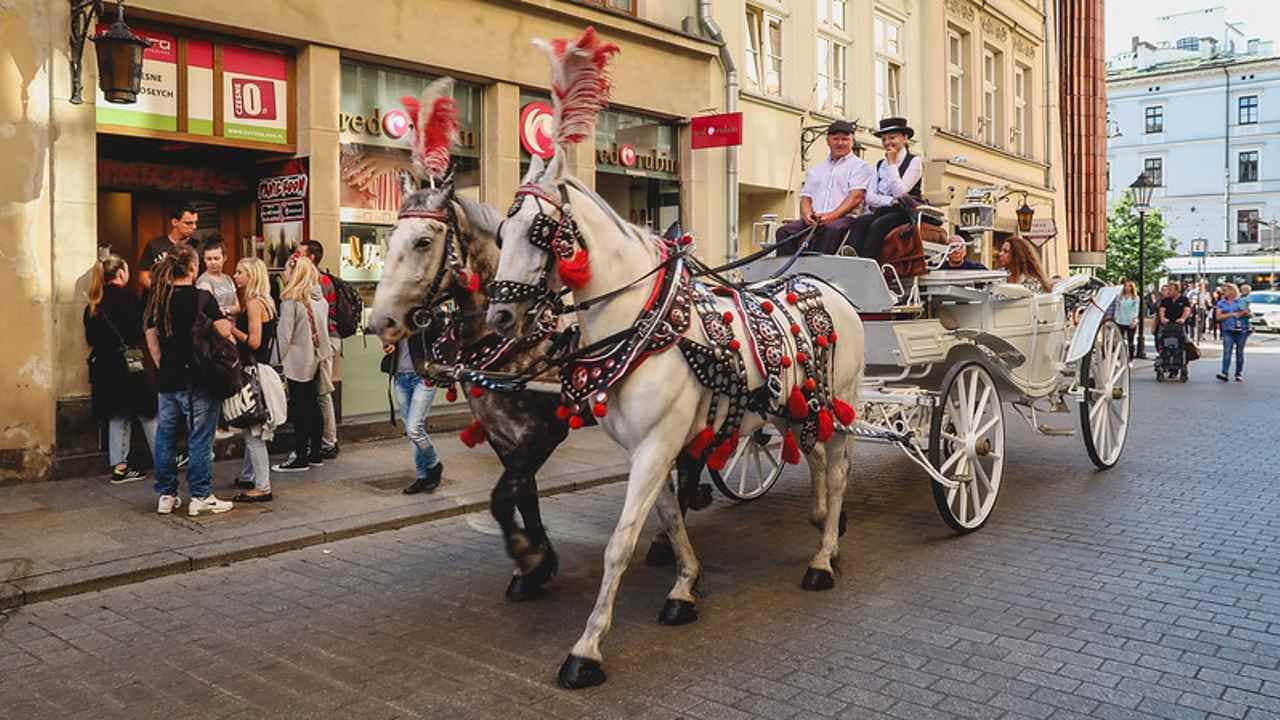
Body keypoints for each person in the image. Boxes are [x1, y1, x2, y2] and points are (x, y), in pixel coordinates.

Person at [143, 245, 235, 516]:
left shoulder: (158, 298)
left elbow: (151, 336)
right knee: (200, 438)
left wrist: (163, 365)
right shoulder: (203, 297)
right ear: (193, 268)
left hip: (168, 378)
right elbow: (224, 330)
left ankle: (166, 495)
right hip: (199, 379)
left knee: (165, 438)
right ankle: (201, 495)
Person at [84, 253, 157, 483]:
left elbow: (90, 338)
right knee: (148, 411)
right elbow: (138, 329)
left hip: (105, 365)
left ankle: (119, 467)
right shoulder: (128, 298)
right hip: (130, 360)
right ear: (121, 273)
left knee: (117, 415)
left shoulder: (94, 303)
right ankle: (164, 460)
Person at [775, 120, 873, 255]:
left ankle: (820, 271)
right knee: (784, 232)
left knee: (832, 229)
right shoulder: (817, 169)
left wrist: (831, 216)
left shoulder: (860, 167)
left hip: (844, 219)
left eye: (845, 139)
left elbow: (856, 197)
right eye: (835, 139)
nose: (840, 143)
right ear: (828, 141)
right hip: (816, 220)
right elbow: (806, 197)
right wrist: (807, 215)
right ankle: (788, 272)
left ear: (852, 141)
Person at [273, 257, 332, 472]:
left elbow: (284, 338)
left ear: (294, 273)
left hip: (296, 363)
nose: (284, 273)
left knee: (299, 410)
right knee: (313, 407)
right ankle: (315, 453)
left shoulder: (291, 302)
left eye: (287, 269)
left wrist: (276, 362)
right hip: (316, 360)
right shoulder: (320, 300)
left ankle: (300, 457)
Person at [229, 258, 279, 502]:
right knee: (254, 426)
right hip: (264, 368)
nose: (235, 275)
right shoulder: (266, 301)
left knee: (253, 432)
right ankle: (250, 475)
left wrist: (231, 329)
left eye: (240, 272)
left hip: (252, 370)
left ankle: (262, 486)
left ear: (252, 276)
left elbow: (254, 341)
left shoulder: (253, 302)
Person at [849, 117, 923, 259]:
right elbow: (870, 197)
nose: (887, 142)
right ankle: (852, 257)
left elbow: (901, 192)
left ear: (905, 138)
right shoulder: (879, 165)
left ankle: (869, 262)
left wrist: (892, 164)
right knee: (859, 222)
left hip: (904, 212)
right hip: (884, 209)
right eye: (884, 139)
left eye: (892, 137)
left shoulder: (914, 162)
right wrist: (890, 201)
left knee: (879, 225)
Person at [383, 335, 444, 494]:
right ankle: (422, 476)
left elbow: (440, 337)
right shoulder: (396, 317)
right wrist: (387, 344)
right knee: (413, 432)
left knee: (414, 429)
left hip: (423, 377)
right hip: (400, 378)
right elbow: (384, 333)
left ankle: (434, 464)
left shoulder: (424, 315)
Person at [298, 240, 340, 459]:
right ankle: (323, 440)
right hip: (322, 341)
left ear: (311, 258)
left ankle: (329, 441)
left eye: (300, 254)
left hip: (324, 341)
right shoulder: (317, 279)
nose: (295, 258)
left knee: (323, 392)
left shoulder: (318, 281)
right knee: (319, 392)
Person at [138, 205, 198, 293]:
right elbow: (143, 277)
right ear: (175, 222)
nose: (194, 227)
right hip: (158, 299)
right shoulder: (155, 245)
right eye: (188, 223)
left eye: (195, 222)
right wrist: (162, 293)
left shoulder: (197, 246)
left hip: (185, 298)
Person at [195, 238, 240, 320]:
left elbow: (238, 307)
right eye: (209, 259)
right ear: (204, 260)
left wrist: (225, 310)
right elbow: (209, 311)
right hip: (216, 328)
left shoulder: (228, 278)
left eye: (216, 258)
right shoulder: (203, 282)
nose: (213, 262)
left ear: (224, 258)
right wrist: (230, 310)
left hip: (233, 326)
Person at [1216, 283, 1248, 382]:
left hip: (1241, 329)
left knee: (1239, 352)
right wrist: (1232, 314)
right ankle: (1224, 373)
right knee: (1227, 352)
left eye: (1225, 290)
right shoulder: (1221, 303)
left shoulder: (1240, 301)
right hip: (1227, 330)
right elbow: (1218, 317)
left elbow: (1249, 313)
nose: (1223, 292)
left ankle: (1238, 373)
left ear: (1232, 291)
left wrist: (1244, 313)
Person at [1114, 280, 1140, 360]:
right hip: (1120, 321)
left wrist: (1134, 320)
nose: (1127, 288)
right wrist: (1116, 318)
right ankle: (1120, 356)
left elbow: (1136, 309)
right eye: (1125, 286)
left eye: (1129, 286)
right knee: (1119, 340)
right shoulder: (1119, 296)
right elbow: (1117, 308)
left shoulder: (1135, 297)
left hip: (1130, 321)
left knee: (1130, 341)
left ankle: (1131, 357)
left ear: (1132, 288)